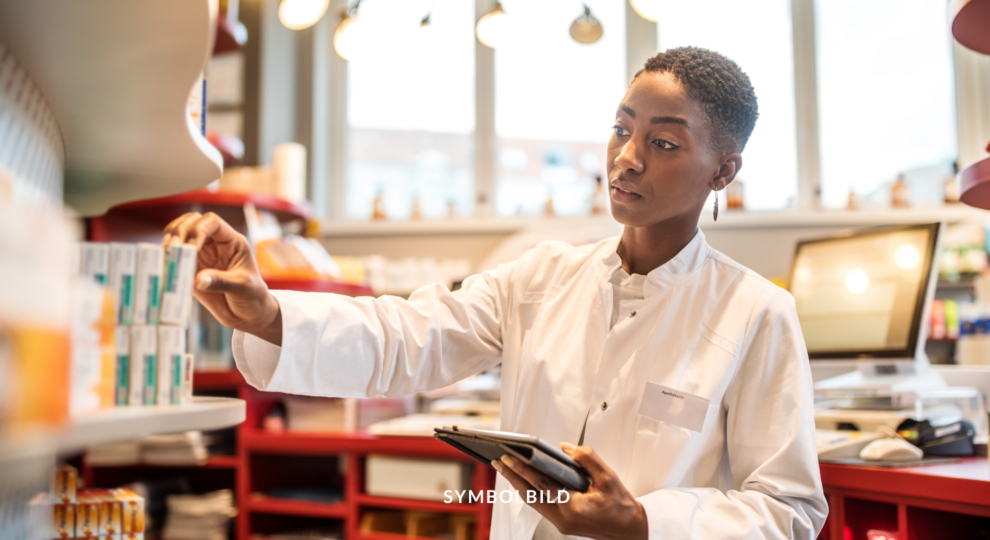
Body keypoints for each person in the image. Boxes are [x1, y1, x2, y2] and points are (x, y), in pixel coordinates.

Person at [164, 47, 827, 539]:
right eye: (622, 128)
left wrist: (644, 523)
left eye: (662, 142)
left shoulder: (757, 314)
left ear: (724, 170)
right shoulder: (541, 277)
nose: (627, 157)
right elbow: (409, 337)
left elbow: (788, 507)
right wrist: (269, 312)